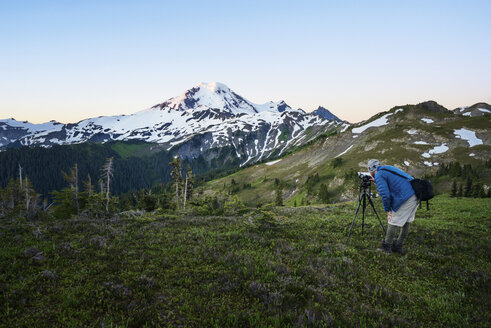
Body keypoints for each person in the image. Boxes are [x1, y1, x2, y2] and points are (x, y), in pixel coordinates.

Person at [367, 159, 418, 254]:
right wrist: (377, 181)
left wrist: (388, 209)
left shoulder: (378, 175)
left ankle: (386, 248)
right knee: (406, 222)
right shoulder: (387, 168)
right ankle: (398, 245)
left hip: (406, 198)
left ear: (370, 171)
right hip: (415, 195)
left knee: (392, 221)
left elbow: (385, 195)